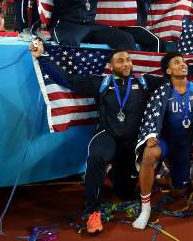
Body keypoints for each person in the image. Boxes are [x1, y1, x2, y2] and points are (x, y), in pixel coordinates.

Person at [30, 43, 164, 233]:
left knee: (125, 194)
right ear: (111, 66)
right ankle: (92, 211)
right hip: (107, 136)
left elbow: (171, 80)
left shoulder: (144, 82)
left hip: (131, 143)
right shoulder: (101, 83)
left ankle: (110, 170)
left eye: (128, 60)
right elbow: (68, 80)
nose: (126, 64)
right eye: (120, 61)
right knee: (96, 158)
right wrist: (42, 58)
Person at [133, 52, 193, 229]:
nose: (183, 64)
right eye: (177, 62)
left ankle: (189, 169)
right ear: (168, 70)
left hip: (184, 145)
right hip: (165, 141)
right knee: (149, 154)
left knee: (179, 193)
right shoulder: (162, 91)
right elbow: (151, 115)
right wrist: (150, 135)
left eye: (183, 62)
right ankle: (145, 209)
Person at [127, 0, 192, 52]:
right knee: (156, 41)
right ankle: (155, 63)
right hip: (132, 29)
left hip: (140, 29)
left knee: (163, 44)